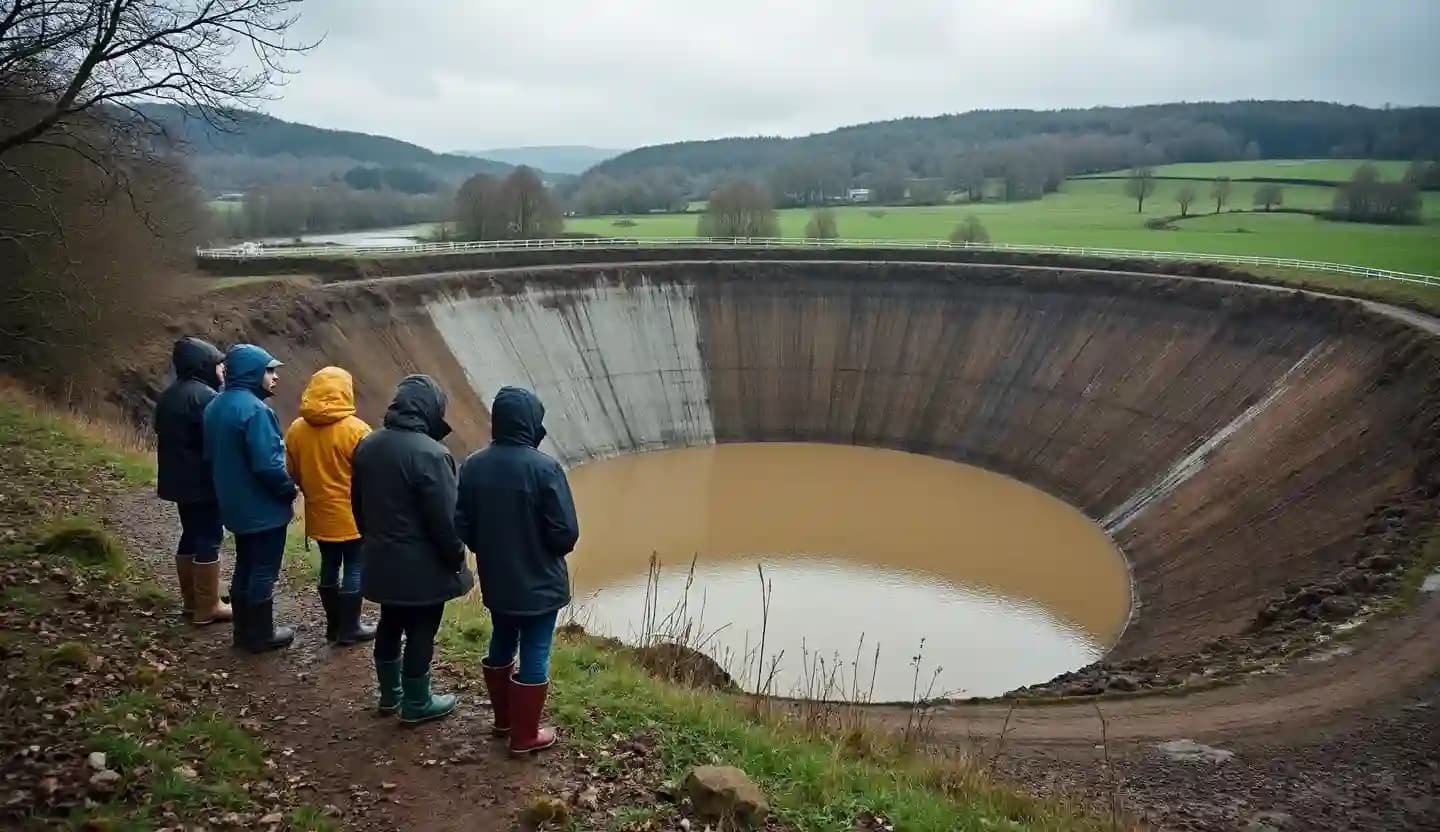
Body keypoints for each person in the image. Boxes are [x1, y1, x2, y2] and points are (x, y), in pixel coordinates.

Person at [456, 386, 579, 755]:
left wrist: (491, 550)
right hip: (541, 583)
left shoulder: (473, 464)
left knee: (502, 639)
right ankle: (525, 736)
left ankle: (504, 720)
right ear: (530, 423)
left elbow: (463, 524)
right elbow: (566, 533)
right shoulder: (545, 468)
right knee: (536, 651)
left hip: (499, 579)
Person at [352, 375, 473, 724]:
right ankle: (417, 702)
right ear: (430, 409)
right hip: (422, 567)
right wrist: (455, 558)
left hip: (381, 557)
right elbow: (446, 521)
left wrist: (372, 542)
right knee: (422, 628)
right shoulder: (432, 453)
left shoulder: (368, 445)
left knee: (390, 621)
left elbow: (357, 505)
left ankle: (390, 695)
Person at [203, 344, 298, 653]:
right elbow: (268, 465)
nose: (274, 377)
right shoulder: (256, 411)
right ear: (251, 372)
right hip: (263, 508)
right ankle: (261, 634)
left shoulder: (215, 406)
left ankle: (243, 632)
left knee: (245, 565)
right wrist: (289, 489)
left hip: (234, 503)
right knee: (263, 571)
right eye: (269, 371)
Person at [284, 366, 376, 646]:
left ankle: (333, 626)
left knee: (329, 565)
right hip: (353, 516)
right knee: (355, 567)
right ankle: (350, 628)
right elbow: (371, 475)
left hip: (319, 514)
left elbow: (292, 471)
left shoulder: (297, 429)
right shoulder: (357, 430)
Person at [154, 337, 232, 625]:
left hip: (178, 482)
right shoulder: (206, 397)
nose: (222, 371)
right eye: (218, 366)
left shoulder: (169, 395)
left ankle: (192, 602)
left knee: (190, 534)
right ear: (205, 366)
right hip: (202, 483)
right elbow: (216, 441)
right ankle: (208, 606)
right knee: (210, 536)